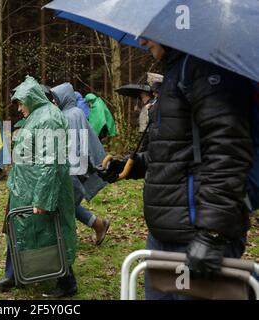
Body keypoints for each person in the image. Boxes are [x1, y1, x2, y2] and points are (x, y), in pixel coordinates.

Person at [97, 40, 254, 300]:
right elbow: (173, 153)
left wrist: (212, 234)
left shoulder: (206, 69)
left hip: (197, 235)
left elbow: (229, 152)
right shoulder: (176, 70)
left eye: (148, 32)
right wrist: (128, 165)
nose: (141, 39)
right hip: (165, 232)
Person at [0, 76, 78, 298]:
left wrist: (42, 198)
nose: (19, 108)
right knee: (16, 229)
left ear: (31, 98)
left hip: (39, 190)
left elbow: (50, 161)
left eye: (21, 103)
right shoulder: (37, 116)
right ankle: (14, 274)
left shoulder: (48, 117)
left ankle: (67, 282)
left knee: (51, 233)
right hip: (24, 188)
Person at [50, 83, 110, 245]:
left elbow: (74, 145)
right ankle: (98, 224)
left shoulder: (70, 115)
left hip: (75, 168)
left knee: (64, 204)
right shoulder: (73, 113)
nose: (54, 103)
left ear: (63, 98)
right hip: (77, 167)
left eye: (56, 100)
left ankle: (64, 242)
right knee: (67, 204)